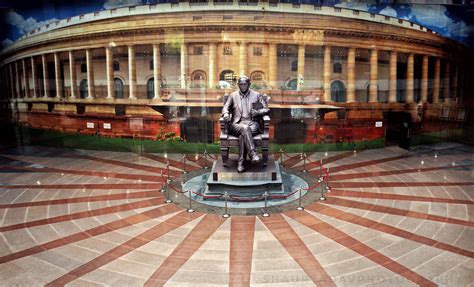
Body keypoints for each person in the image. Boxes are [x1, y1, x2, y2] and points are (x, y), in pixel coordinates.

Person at [222, 76, 270, 172]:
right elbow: (225, 107)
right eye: (241, 84)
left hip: (253, 124)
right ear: (238, 85)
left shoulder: (256, 95)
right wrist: (226, 113)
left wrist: (258, 112)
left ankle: (241, 163)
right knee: (244, 128)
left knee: (243, 134)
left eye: (245, 84)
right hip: (237, 124)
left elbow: (266, 109)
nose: (243, 86)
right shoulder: (233, 95)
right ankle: (253, 154)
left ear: (249, 84)